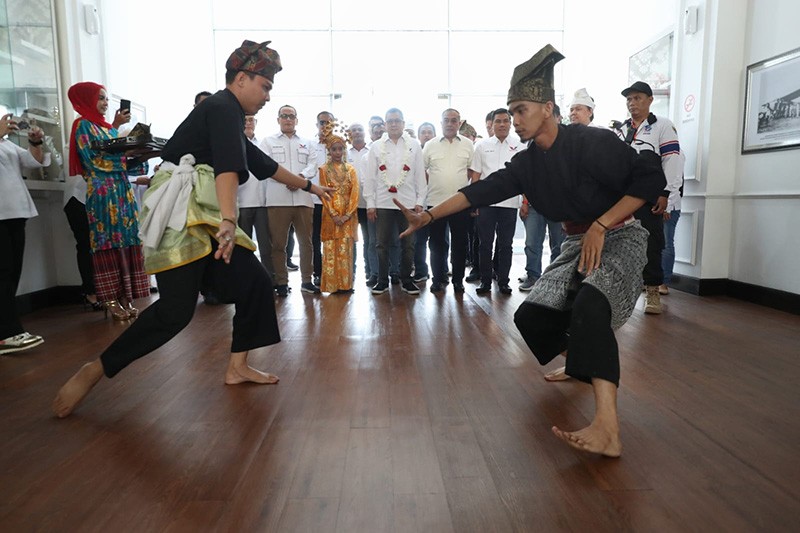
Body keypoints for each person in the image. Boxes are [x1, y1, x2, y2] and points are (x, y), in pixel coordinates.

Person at [394, 44, 665, 457]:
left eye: (521, 110)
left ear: (548, 108)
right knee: (531, 316)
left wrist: (602, 224)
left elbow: (648, 178)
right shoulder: (527, 163)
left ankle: (608, 428)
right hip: (578, 241)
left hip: (620, 234)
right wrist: (428, 216)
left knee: (591, 306)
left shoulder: (592, 141)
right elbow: (480, 191)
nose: (514, 120)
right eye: (510, 112)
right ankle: (581, 361)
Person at [52, 39, 332, 418]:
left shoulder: (227, 112)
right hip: (182, 213)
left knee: (255, 281)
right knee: (176, 311)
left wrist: (311, 187)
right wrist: (229, 220)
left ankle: (237, 366)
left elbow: (259, 162)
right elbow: (229, 166)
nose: (268, 96)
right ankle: (96, 369)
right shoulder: (221, 107)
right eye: (265, 86)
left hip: (205, 211)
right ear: (242, 79)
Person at [67, 82, 151, 320]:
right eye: (100, 98)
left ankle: (126, 295)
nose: (105, 102)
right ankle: (109, 297)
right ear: (85, 100)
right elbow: (93, 161)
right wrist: (126, 156)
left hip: (122, 191)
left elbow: (127, 165)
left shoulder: (109, 130)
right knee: (107, 242)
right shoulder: (83, 125)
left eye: (106, 98)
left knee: (127, 239)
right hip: (103, 192)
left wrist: (141, 154)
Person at [616, 81, 684, 313]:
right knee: (621, 244)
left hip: (650, 197)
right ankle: (621, 292)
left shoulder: (662, 126)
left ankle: (652, 291)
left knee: (652, 244)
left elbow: (672, 160)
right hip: (625, 197)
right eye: (629, 99)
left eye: (637, 98)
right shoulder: (622, 130)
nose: (632, 103)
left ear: (650, 100)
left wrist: (666, 194)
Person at [364, 108, 426, 295]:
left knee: (408, 244)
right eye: (390, 121)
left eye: (397, 121)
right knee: (381, 244)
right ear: (385, 125)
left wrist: (420, 200)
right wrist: (370, 204)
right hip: (383, 202)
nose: (393, 124)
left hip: (408, 202)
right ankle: (382, 281)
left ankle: (407, 280)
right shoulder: (376, 146)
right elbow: (370, 178)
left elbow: (419, 175)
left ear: (403, 124)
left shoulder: (414, 145)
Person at [259, 105, 319, 296]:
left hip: (303, 200)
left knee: (306, 243)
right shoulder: (268, 142)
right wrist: (289, 180)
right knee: (278, 244)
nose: (288, 119)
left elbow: (313, 165)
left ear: (296, 120)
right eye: (284, 116)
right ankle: (281, 282)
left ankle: (307, 281)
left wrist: (300, 178)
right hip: (277, 200)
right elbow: (265, 166)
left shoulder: (307, 143)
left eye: (291, 116)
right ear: (278, 119)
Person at [0, 114, 47, 355]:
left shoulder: (7, 144)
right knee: (3, 271)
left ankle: (9, 329)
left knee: (12, 272)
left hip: (16, 211)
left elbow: (33, 161)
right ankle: (6, 333)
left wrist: (35, 141)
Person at [469, 108, 524, 295]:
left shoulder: (520, 145)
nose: (502, 124)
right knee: (485, 244)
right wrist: (474, 201)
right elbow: (476, 175)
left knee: (506, 245)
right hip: (486, 204)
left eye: (505, 121)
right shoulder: (482, 146)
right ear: (491, 125)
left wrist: (525, 202)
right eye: (498, 121)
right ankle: (485, 281)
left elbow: (525, 177)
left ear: (510, 123)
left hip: (509, 203)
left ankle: (503, 281)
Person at [423, 108, 474, 293]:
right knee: (437, 244)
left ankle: (458, 281)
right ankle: (438, 279)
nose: (450, 124)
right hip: (435, 203)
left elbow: (472, 170)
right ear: (441, 122)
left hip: (460, 203)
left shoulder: (468, 144)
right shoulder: (430, 145)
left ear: (459, 123)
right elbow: (422, 170)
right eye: (447, 120)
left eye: (454, 120)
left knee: (460, 243)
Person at [519, 108, 566, 291]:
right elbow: (525, 176)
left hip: (559, 205)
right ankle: (533, 276)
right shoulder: (532, 144)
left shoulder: (568, 145)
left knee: (559, 244)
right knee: (532, 243)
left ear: (558, 118)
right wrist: (524, 202)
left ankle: (555, 279)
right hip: (534, 205)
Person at [318, 123, 359, 293]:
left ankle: (346, 285)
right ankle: (331, 285)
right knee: (330, 248)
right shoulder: (323, 169)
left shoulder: (350, 169)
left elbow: (355, 192)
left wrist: (347, 214)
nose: (337, 152)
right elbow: (322, 193)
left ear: (344, 150)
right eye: (334, 149)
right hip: (330, 215)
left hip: (348, 215)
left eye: (340, 149)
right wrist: (334, 214)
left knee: (346, 249)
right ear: (329, 150)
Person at [237, 115, 273, 278]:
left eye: (251, 120)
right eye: (245, 120)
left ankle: (269, 280)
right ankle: (245, 280)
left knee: (266, 247)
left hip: (262, 203)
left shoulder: (264, 144)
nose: (248, 123)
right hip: (242, 203)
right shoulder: (234, 143)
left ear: (256, 123)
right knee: (244, 246)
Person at [347, 123, 376, 284]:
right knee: (350, 240)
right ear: (349, 134)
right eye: (354, 130)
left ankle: (370, 272)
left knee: (370, 239)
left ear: (365, 133)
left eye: (360, 129)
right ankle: (349, 272)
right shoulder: (343, 152)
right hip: (349, 206)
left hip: (368, 205)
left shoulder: (372, 151)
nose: (357, 132)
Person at [412, 122, 437, 283]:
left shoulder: (438, 151)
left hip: (437, 203)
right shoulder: (413, 154)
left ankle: (441, 271)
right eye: (423, 132)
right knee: (419, 241)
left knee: (439, 240)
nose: (427, 135)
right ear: (418, 136)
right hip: (419, 204)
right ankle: (421, 271)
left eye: (430, 132)